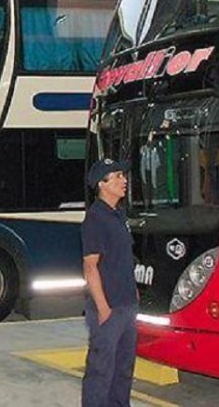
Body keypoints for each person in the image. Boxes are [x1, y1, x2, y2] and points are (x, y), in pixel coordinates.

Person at [81, 158, 137, 407]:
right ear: (102, 185)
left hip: (127, 304)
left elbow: (123, 258)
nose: (123, 180)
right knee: (101, 370)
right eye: (116, 176)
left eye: (122, 175)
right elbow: (90, 267)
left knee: (123, 368)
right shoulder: (95, 218)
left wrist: (133, 293)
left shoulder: (119, 215)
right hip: (108, 307)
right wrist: (103, 308)